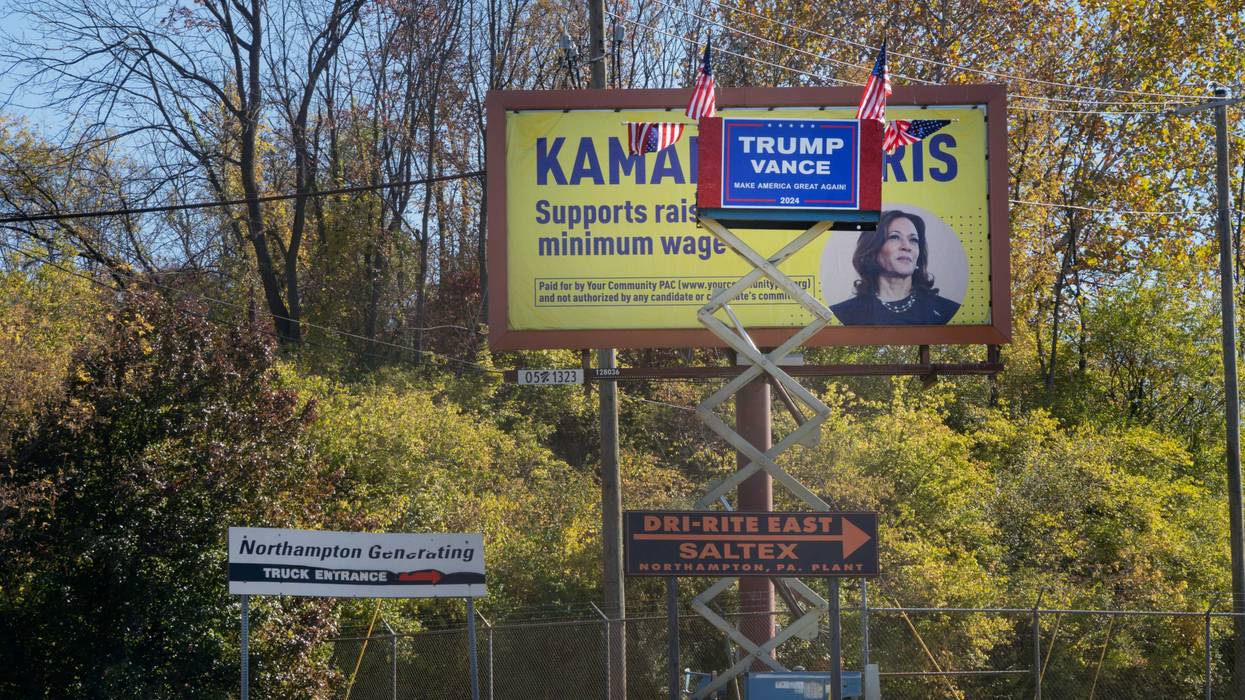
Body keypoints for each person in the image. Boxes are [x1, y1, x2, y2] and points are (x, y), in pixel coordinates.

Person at [829, 210, 961, 325]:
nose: (906, 246)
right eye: (894, 237)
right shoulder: (842, 314)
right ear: (872, 249)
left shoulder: (947, 310)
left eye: (913, 240)